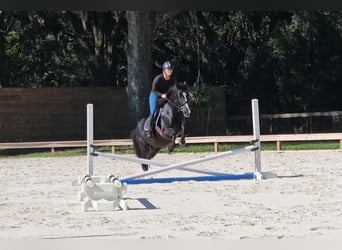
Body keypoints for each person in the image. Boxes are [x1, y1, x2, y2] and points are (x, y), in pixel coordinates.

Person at [144, 61, 176, 138]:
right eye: (168, 69)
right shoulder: (158, 79)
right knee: (153, 111)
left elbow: (173, 89)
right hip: (155, 96)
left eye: (171, 69)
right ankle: (149, 130)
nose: (170, 71)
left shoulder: (172, 80)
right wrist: (161, 95)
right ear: (164, 70)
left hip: (165, 96)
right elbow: (153, 90)